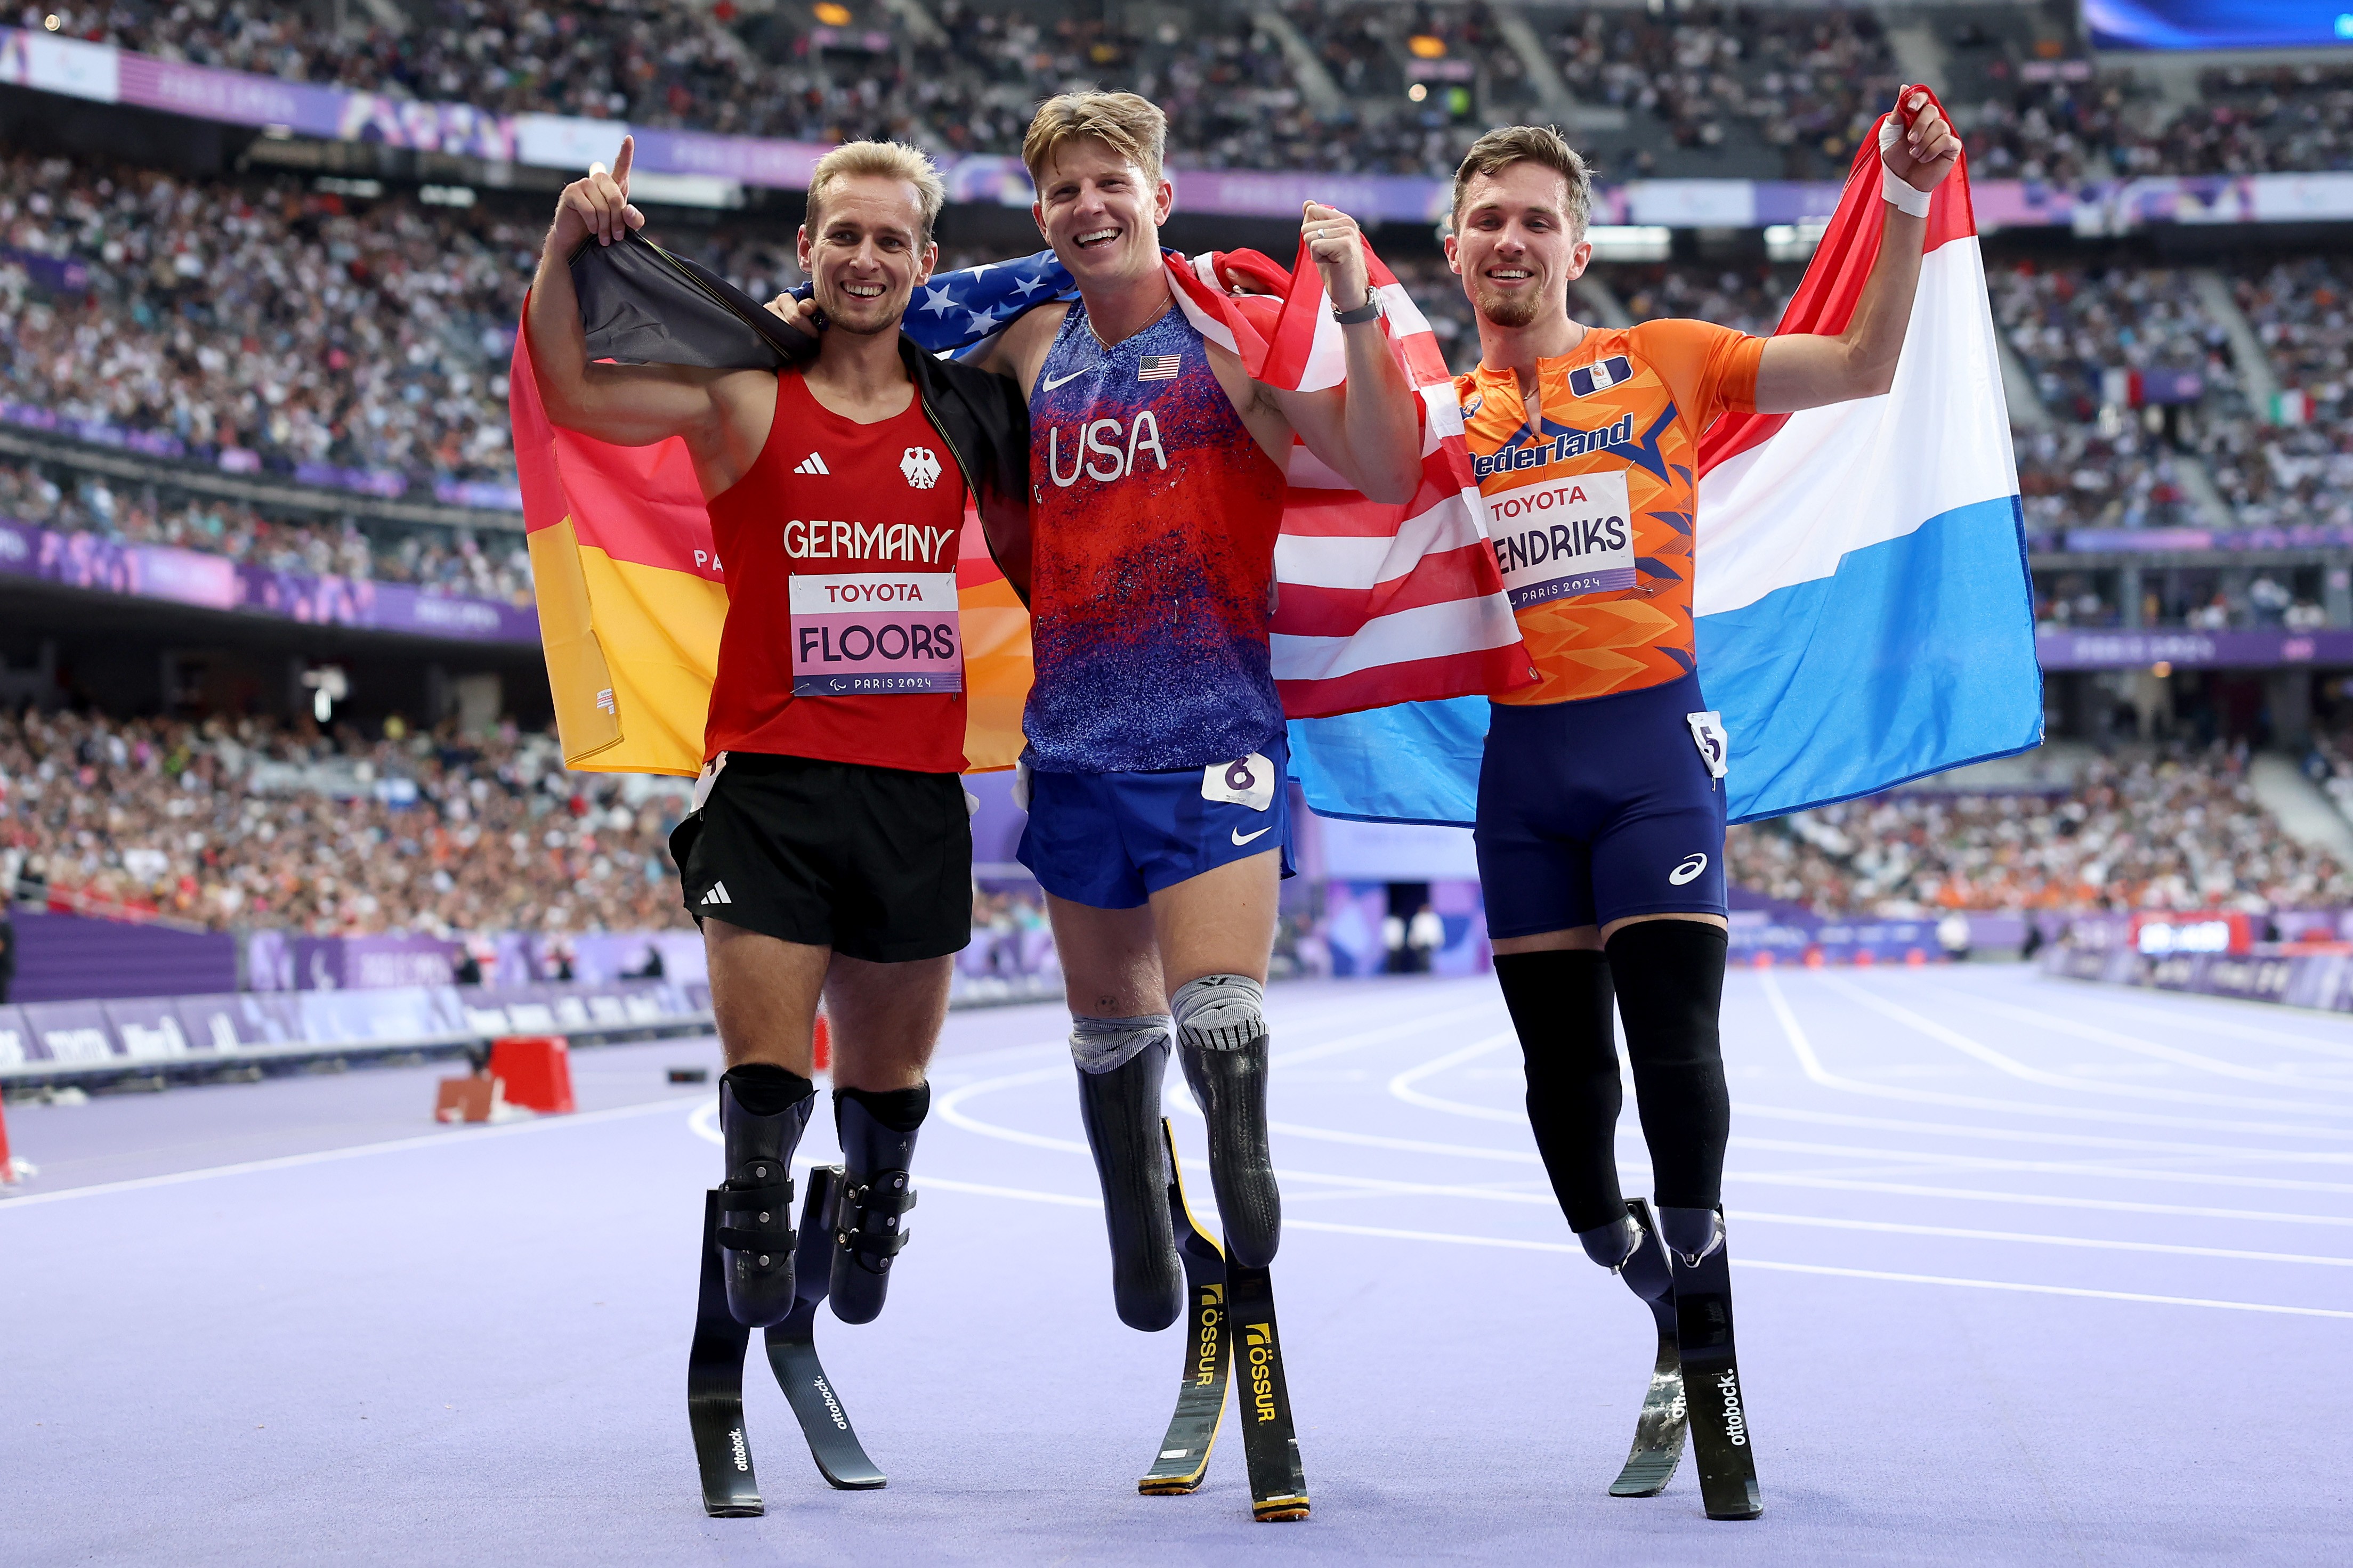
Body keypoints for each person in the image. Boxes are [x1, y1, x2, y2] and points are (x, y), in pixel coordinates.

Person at [1444, 97, 1960, 1511]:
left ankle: (1716, 1347)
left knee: (1674, 1048)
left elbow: (1859, 363)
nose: (1512, 238)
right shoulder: (1432, 418)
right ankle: (1659, 1301)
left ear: (1580, 246)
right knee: (1565, 1103)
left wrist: (1907, 200)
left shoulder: (1663, 362)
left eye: (1537, 218)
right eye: (1489, 217)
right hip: (1523, 777)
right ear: (1453, 249)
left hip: (1652, 755)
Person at [524, 135, 1029, 1329]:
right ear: (807, 248)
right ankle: (752, 1232)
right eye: (843, 236)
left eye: (890, 239)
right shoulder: (742, 395)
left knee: (889, 1091)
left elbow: (1075, 323)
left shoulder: (966, 411)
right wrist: (560, 245)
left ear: (925, 261)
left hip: (915, 797)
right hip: (772, 792)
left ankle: (874, 1207)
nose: (866, 258)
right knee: (765, 1083)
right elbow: (572, 390)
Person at [960, 91, 1424, 1328]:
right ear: (1043, 212)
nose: (1087, 205)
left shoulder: (1235, 338)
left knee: (1217, 1010)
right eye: (1063, 190)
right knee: (1109, 1029)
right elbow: (892, 338)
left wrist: (1358, 303)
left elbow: (1385, 463)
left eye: (1112, 182)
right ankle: (1131, 1220)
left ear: (1160, 196)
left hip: (1215, 733)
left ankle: (1247, 1162)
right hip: (1069, 746)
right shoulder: (1026, 343)